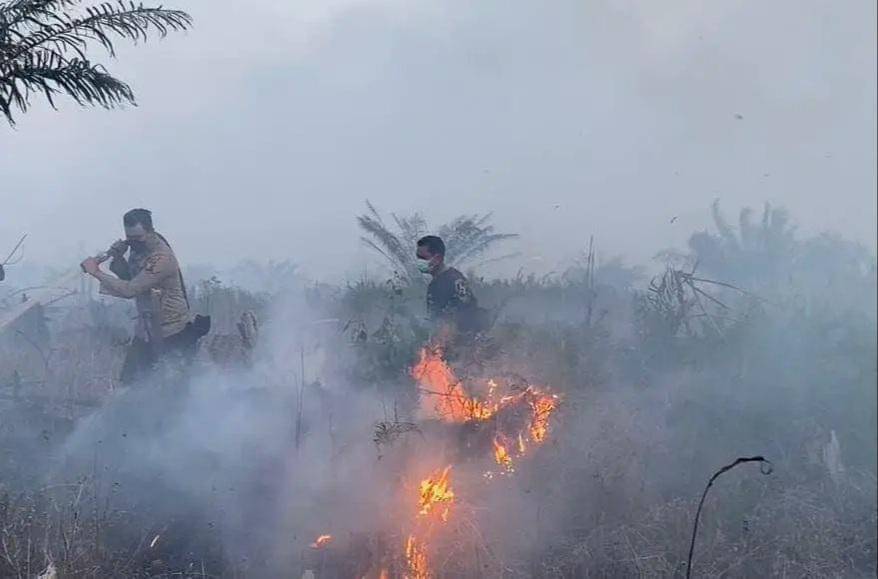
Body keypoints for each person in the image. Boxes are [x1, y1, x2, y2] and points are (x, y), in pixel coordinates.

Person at [80, 208, 208, 384]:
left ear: (150, 231)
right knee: (129, 385)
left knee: (173, 389)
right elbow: (129, 279)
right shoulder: (137, 249)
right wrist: (117, 258)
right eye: (129, 238)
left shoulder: (162, 258)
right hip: (146, 331)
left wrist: (96, 272)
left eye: (138, 238)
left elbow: (130, 290)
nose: (133, 243)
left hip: (172, 332)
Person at [416, 235, 488, 347]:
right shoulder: (435, 283)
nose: (419, 262)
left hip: (462, 346)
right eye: (418, 257)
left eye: (423, 258)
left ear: (438, 258)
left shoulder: (453, 280)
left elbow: (469, 313)